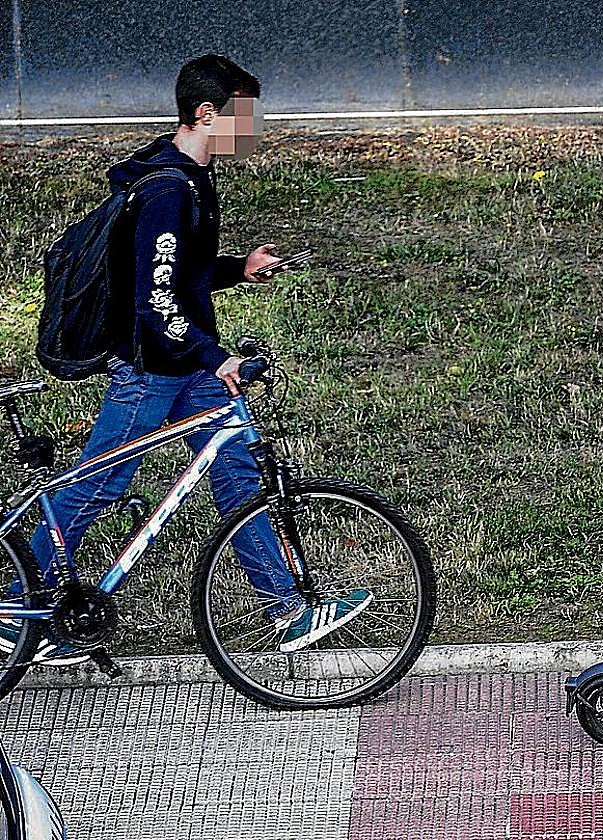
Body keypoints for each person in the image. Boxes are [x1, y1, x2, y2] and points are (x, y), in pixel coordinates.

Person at [1, 55, 372, 665]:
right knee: (97, 484)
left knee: (237, 476)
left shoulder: (193, 179)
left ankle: (287, 606)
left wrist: (237, 270)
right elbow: (155, 298)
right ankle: (19, 614)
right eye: (245, 119)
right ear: (206, 114)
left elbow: (183, 274)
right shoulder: (169, 190)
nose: (254, 132)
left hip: (190, 362)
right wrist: (214, 354)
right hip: (153, 367)